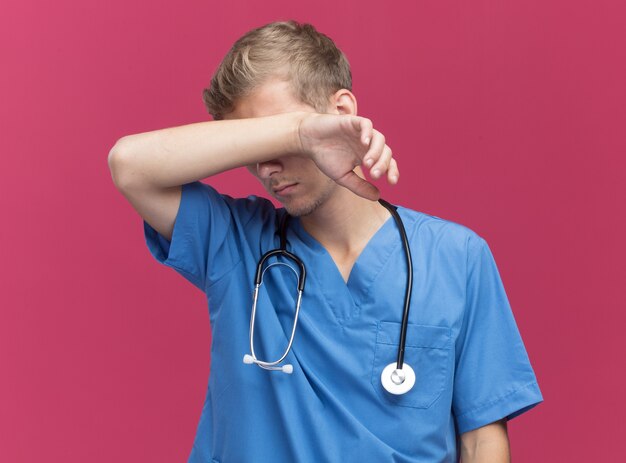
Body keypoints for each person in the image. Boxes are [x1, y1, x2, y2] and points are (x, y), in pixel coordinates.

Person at [108, 20, 543, 463]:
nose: (266, 168)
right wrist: (296, 133)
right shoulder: (234, 244)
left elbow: (481, 439)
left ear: (341, 112)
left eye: (283, 129)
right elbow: (129, 165)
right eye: (252, 146)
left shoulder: (457, 257)